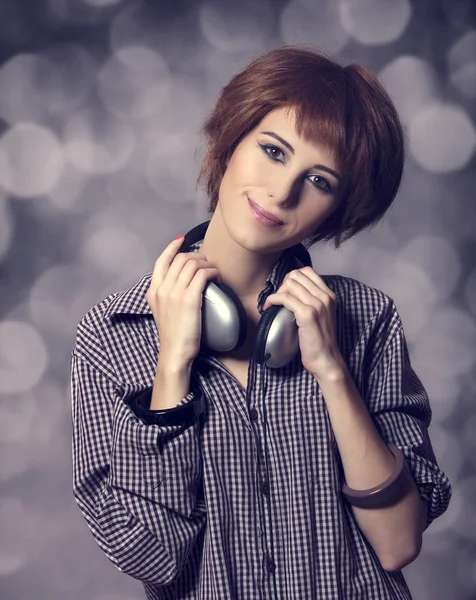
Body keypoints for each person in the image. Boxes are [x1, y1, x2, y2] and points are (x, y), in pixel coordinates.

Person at [71, 46, 451, 600]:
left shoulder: (368, 320)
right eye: (273, 151)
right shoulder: (112, 334)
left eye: (319, 181)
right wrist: (172, 364)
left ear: (340, 208)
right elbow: (150, 555)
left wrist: (332, 371)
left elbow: (397, 544)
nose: (282, 192)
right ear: (228, 140)